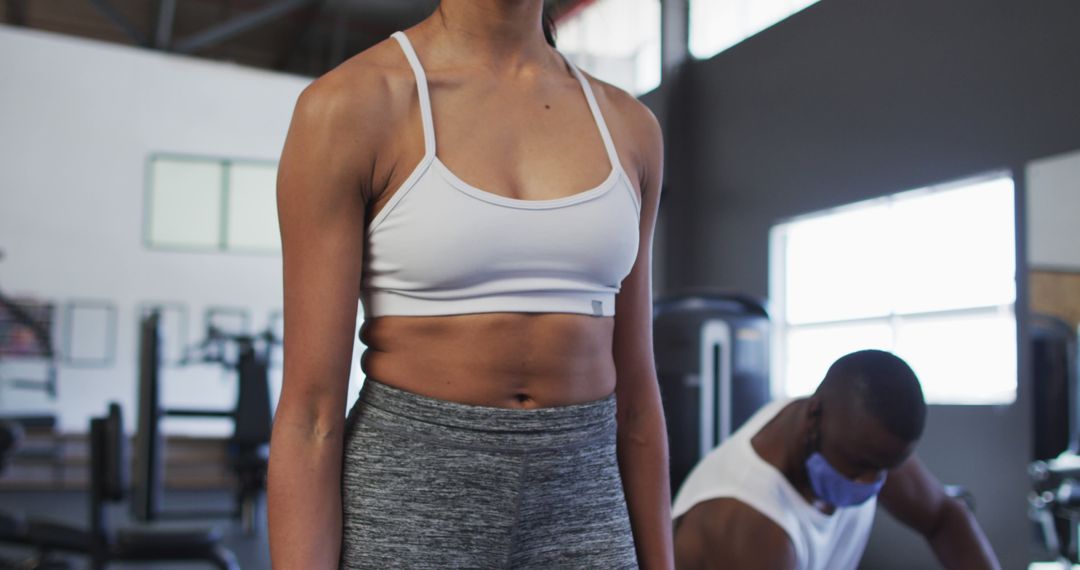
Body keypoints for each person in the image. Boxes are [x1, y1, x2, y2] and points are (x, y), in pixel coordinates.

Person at [266, 1, 672, 568]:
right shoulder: (351, 105)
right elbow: (310, 415)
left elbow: (638, 402)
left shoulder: (629, 126)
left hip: (584, 502)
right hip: (410, 500)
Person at [671, 350, 1000, 570]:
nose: (868, 482)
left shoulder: (857, 439)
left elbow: (944, 517)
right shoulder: (752, 525)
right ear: (813, 415)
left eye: (884, 469)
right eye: (859, 465)